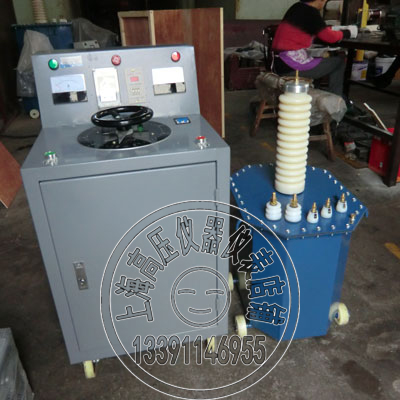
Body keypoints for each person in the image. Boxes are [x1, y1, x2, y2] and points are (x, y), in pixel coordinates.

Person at [272, 0, 357, 97]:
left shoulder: (297, 7)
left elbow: (316, 29)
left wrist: (333, 30)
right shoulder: (311, 12)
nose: (324, 4)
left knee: (321, 60)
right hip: (290, 66)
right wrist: (348, 32)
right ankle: (336, 100)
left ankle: (316, 93)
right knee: (339, 62)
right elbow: (330, 37)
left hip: (278, 62)